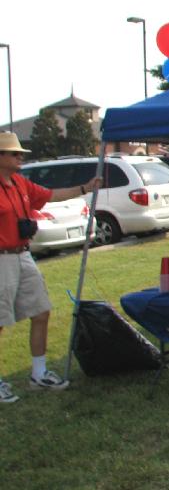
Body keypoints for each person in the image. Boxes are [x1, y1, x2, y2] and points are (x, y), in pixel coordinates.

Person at [0, 132, 102, 404]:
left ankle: (39, 373)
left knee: (41, 310)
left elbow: (51, 195)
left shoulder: (20, 182)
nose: (20, 157)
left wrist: (85, 188)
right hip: (1, 258)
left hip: (22, 254)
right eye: (14, 153)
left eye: (20, 153)